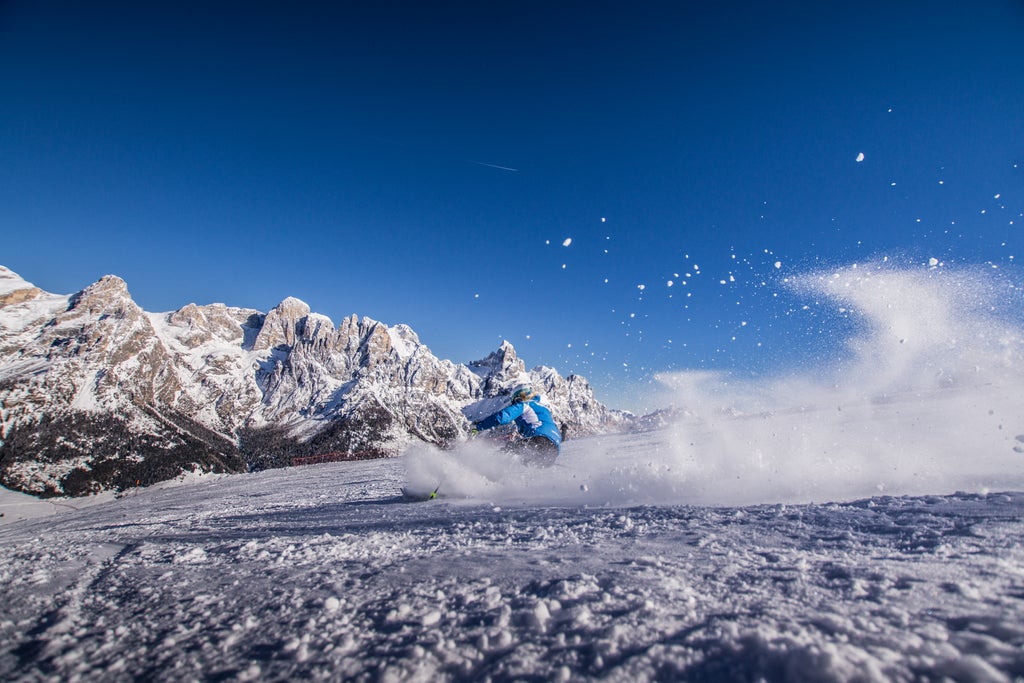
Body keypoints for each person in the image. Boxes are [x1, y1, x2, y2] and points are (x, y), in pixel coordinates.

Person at [472, 384, 562, 466]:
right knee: (527, 466)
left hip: (538, 440)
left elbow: (502, 417)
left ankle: (485, 472)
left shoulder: (524, 405)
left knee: (505, 452)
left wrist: (478, 426)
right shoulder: (544, 409)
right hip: (553, 451)